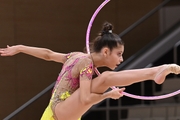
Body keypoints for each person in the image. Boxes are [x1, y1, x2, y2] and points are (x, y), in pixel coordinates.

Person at [0, 22, 180, 120]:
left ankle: (156, 72)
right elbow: (86, 99)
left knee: (106, 79)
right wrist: (108, 96)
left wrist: (21, 47)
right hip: (58, 113)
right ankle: (156, 71)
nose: (121, 59)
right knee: (106, 78)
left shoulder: (76, 56)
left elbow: (48, 54)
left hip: (59, 111)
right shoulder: (85, 62)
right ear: (106, 51)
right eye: (119, 54)